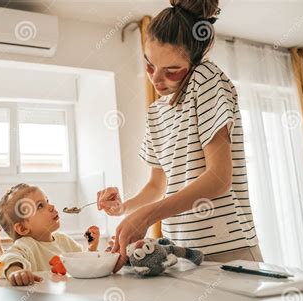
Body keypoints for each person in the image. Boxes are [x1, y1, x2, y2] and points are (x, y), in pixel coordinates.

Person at [97, 0, 263, 272]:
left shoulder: (205, 79)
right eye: (150, 66)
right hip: (182, 251)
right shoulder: (156, 111)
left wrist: (147, 216)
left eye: (172, 71)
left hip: (228, 248)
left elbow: (219, 178)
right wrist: (125, 208)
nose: (156, 79)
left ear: (195, 60)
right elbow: (156, 186)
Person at [0, 183, 100, 286]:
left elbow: (82, 265)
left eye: (47, 201)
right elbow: (7, 259)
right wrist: (15, 271)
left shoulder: (65, 240)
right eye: (40, 206)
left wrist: (91, 249)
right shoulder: (26, 245)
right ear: (23, 228)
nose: (52, 206)